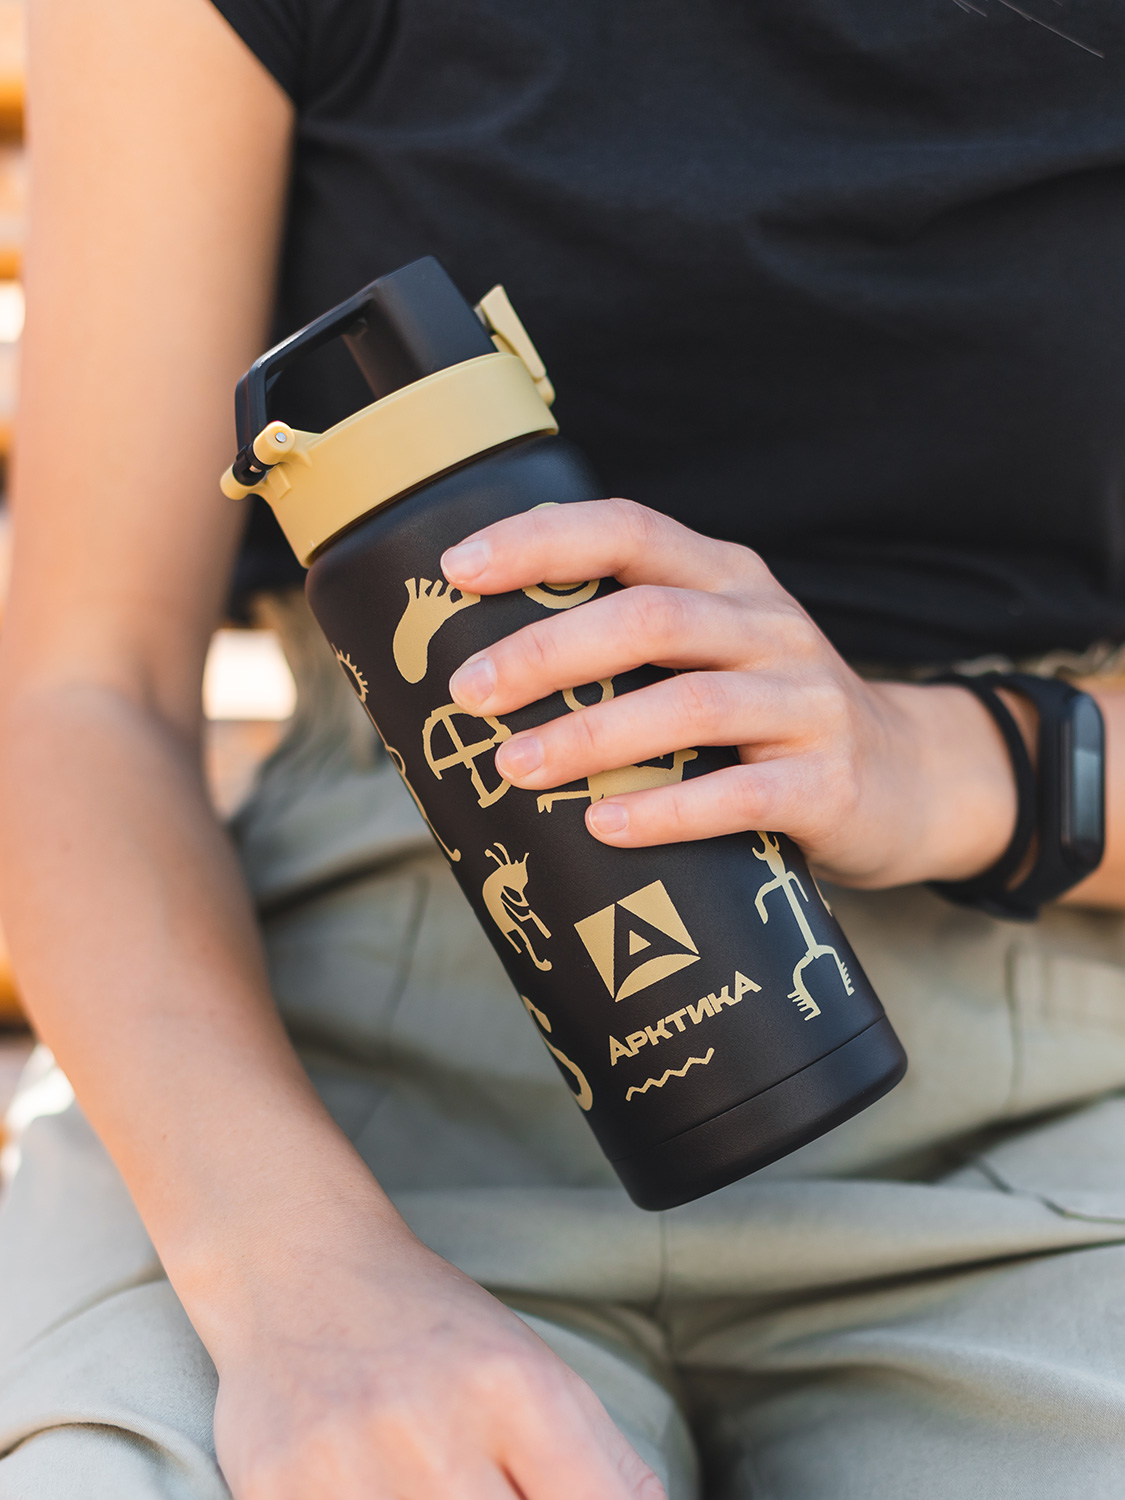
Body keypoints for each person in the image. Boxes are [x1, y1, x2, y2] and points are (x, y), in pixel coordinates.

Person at [3, 0, 1125, 1495]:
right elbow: (87, 688)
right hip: (316, 1083)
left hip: (1034, 1107)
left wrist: (941, 761)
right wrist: (298, 1282)